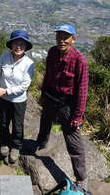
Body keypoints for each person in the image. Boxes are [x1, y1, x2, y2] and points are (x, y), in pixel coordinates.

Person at [34, 24, 89, 190]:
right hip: (51, 95)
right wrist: (43, 95)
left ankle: (81, 178)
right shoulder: (52, 52)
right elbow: (48, 75)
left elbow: (82, 90)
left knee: (73, 141)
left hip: (67, 102)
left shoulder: (80, 60)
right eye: (59, 37)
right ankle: (41, 144)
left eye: (65, 37)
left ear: (73, 39)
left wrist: (78, 116)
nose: (61, 40)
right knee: (45, 121)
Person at [0, 30, 34, 164]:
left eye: (22, 44)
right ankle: (4, 142)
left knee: (17, 125)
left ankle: (16, 147)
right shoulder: (4, 57)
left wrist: (5, 91)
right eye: (16, 43)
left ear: (26, 46)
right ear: (11, 45)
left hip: (18, 100)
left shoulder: (28, 63)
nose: (18, 47)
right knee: (3, 122)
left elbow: (24, 86)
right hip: (3, 99)